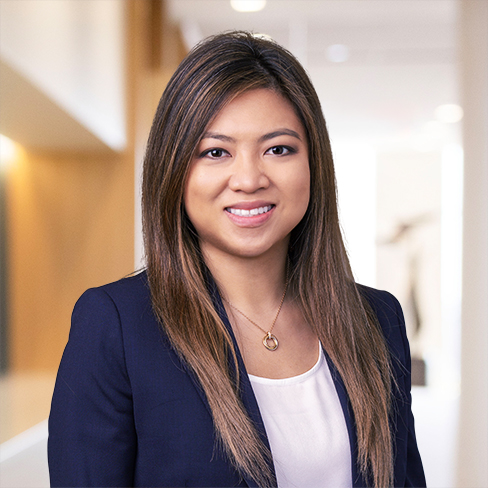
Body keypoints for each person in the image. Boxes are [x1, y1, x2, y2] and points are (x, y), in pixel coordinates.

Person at [48, 31, 425, 488]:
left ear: (313, 165)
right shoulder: (116, 326)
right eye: (215, 152)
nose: (248, 178)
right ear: (173, 170)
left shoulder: (377, 320)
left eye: (279, 149)